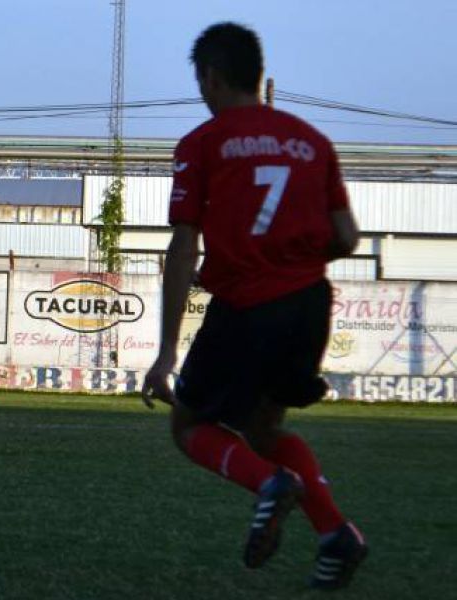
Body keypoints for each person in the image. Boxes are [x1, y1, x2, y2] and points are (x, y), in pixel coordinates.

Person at [141, 23, 366, 589]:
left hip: (247, 304)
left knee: (189, 424)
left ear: (210, 76)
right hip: (309, 304)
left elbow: (184, 243)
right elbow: (346, 236)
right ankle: (336, 533)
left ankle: (270, 485)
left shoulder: (203, 143)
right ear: (258, 73)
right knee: (264, 426)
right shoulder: (313, 141)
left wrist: (166, 353)